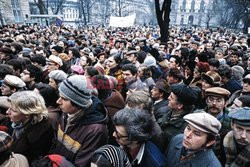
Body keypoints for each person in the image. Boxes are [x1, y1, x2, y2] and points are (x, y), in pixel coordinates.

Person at [50, 75, 108, 167]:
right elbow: (56, 142)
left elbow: (82, 164)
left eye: (64, 99)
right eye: (59, 96)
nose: (58, 101)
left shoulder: (95, 130)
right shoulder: (66, 112)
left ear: (77, 102)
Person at [6, 91, 54, 162]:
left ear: (27, 114)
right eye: (9, 108)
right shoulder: (19, 122)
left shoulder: (40, 136)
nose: (7, 112)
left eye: (13, 110)